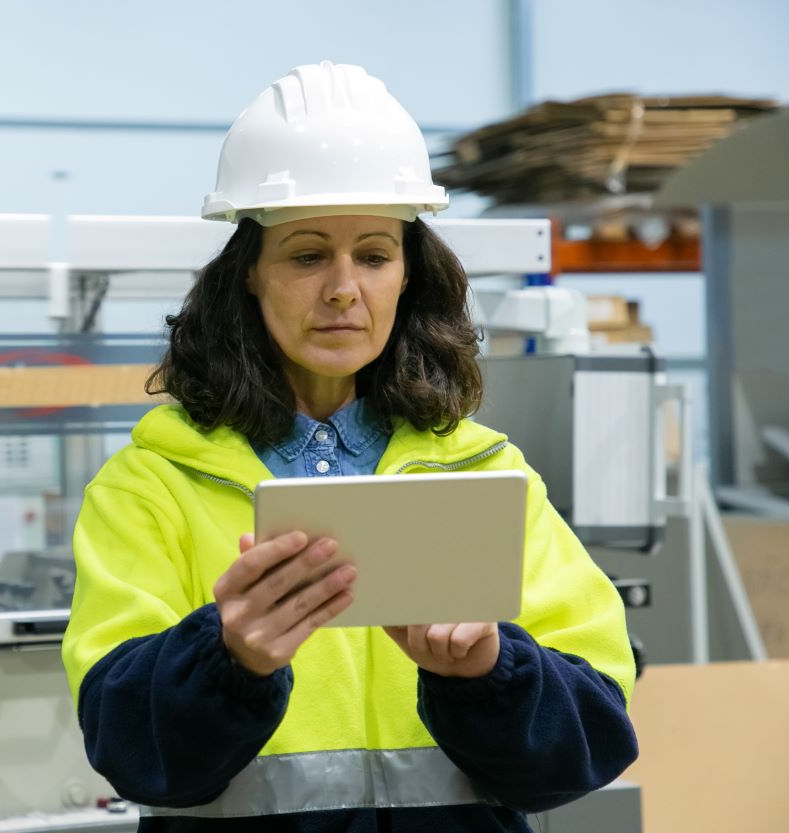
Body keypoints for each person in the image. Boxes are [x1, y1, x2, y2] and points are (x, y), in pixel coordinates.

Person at [61, 61, 638, 833]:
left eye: (372, 255)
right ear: (251, 278)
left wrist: (488, 673)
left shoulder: (488, 474)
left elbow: (590, 742)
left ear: (408, 276)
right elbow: (128, 748)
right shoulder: (151, 486)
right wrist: (227, 660)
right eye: (306, 255)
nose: (343, 289)